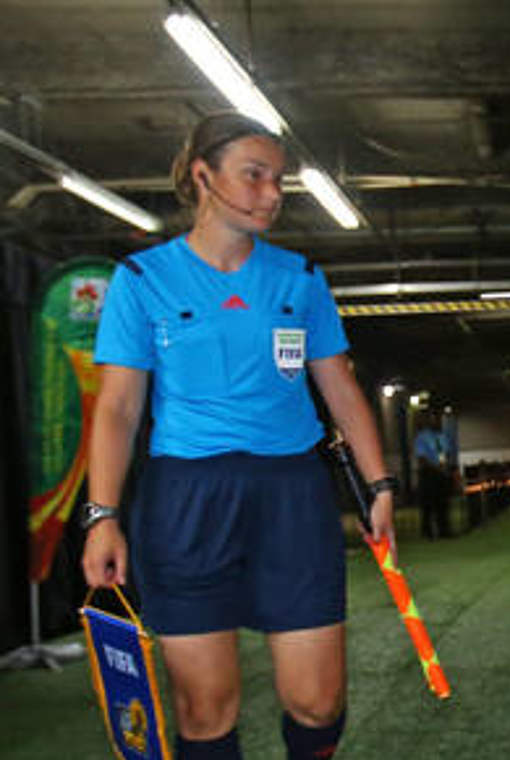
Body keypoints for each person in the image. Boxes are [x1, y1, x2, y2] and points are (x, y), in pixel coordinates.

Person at [80, 111, 395, 760]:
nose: (273, 194)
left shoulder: (301, 279)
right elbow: (116, 411)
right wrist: (102, 515)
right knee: (206, 711)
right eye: (255, 176)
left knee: (318, 703)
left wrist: (379, 482)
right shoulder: (142, 281)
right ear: (203, 176)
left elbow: (340, 389)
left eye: (279, 180)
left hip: (291, 497)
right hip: (187, 500)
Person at [413, 408, 453, 539]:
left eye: (438, 419)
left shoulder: (443, 436)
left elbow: (446, 453)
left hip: (442, 473)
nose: (436, 422)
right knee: (428, 505)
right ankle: (428, 533)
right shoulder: (422, 437)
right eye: (433, 419)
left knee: (443, 504)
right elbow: (422, 458)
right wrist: (437, 467)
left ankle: (444, 530)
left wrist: (445, 467)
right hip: (429, 473)